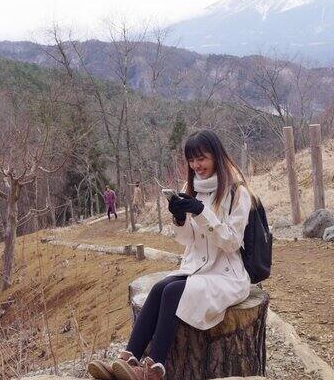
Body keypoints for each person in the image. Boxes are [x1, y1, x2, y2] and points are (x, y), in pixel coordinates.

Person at [88, 129, 253, 380]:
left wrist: (201, 212)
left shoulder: (237, 192)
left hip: (226, 275)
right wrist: (179, 218)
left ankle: (154, 369)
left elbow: (231, 242)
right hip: (197, 268)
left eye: (202, 159)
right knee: (159, 288)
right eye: (191, 160)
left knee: (173, 291)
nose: (197, 165)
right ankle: (127, 359)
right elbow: (188, 241)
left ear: (216, 156)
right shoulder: (191, 188)